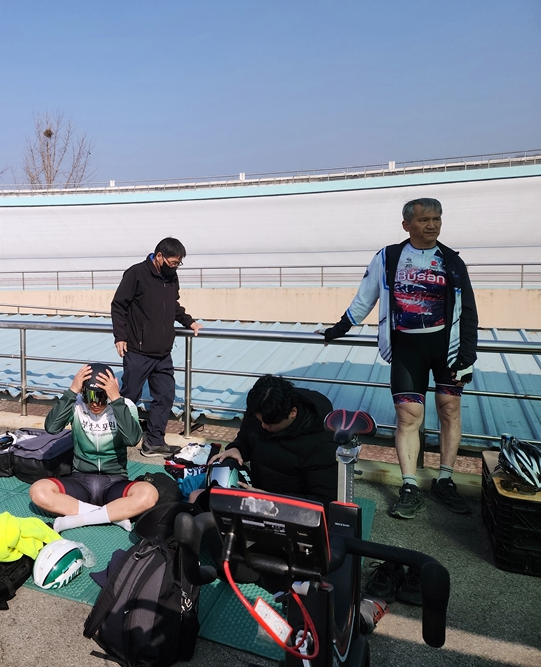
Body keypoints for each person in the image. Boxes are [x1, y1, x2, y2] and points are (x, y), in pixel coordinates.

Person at [322, 197, 478, 519]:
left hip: (447, 349)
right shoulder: (389, 256)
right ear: (407, 225)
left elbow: (469, 310)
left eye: (437, 219)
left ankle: (445, 480)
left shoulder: (451, 261)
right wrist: (340, 327)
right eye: (424, 220)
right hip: (406, 349)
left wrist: (467, 353)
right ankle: (409, 486)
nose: (432, 225)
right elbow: (366, 295)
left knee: (449, 410)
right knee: (407, 416)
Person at [29, 363, 159, 532]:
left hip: (115, 481)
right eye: (90, 396)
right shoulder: (76, 404)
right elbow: (52, 427)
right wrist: (72, 391)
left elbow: (132, 439)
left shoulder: (125, 406)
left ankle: (76, 519)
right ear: (83, 392)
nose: (95, 403)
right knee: (38, 491)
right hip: (80, 480)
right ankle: (113, 515)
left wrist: (116, 400)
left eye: (101, 397)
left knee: (149, 494)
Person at [111, 237, 202, 458]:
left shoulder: (172, 277)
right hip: (137, 351)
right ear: (159, 256)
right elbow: (118, 305)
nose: (175, 267)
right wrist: (120, 337)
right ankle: (112, 439)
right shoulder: (136, 273)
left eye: (178, 263)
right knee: (129, 397)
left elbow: (173, 306)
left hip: (163, 353)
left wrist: (189, 322)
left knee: (165, 396)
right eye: (173, 262)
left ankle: (153, 442)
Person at [190, 374, 337, 508]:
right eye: (259, 420)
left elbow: (325, 501)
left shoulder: (322, 442)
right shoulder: (261, 408)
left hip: (287, 509)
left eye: (270, 424)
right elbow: (247, 436)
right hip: (253, 491)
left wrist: (269, 499)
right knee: (195, 497)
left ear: (293, 412)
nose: (263, 426)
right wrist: (237, 448)